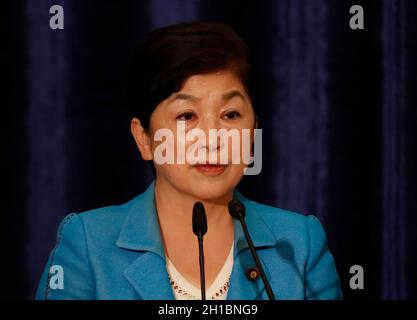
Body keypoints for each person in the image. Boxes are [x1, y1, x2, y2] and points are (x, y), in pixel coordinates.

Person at [35, 21, 342, 300]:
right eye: (187, 116)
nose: (212, 138)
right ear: (144, 138)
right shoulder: (88, 246)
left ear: (254, 129)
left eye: (231, 115)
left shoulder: (299, 244)